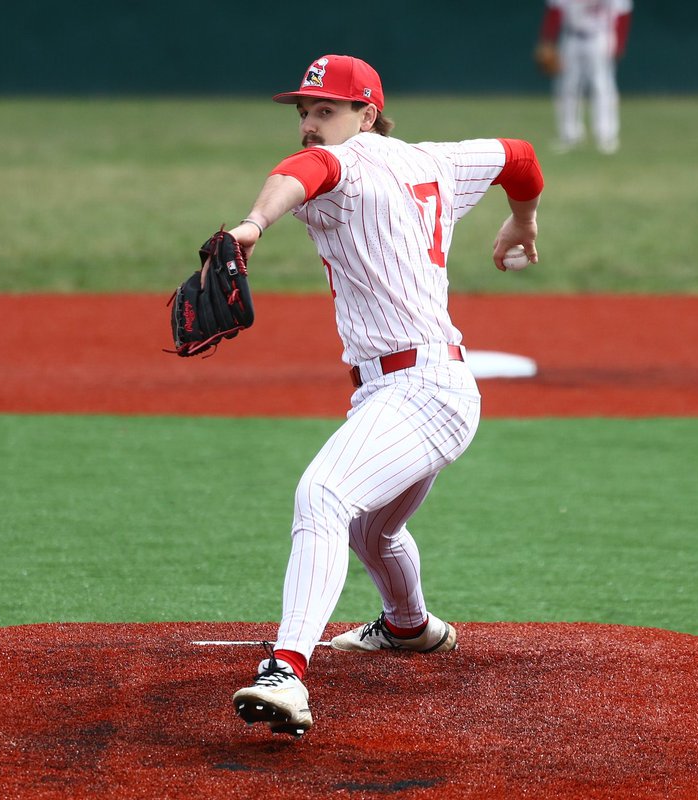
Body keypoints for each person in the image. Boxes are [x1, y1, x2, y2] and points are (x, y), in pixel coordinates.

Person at [225, 54, 544, 737]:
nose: (310, 125)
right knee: (375, 529)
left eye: (326, 111)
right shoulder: (435, 160)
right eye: (304, 112)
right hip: (414, 388)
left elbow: (306, 171)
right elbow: (520, 155)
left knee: (324, 495)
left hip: (422, 389)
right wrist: (524, 219)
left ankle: (286, 672)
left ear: (367, 115)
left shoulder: (350, 160)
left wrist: (251, 225)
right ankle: (409, 627)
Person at [536, 0, 633, 154]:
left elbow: (623, 11)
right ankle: (569, 135)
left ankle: (606, 136)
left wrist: (620, 42)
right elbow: (554, 11)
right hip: (571, 37)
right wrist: (548, 40)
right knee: (567, 88)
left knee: (602, 87)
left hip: (600, 37)